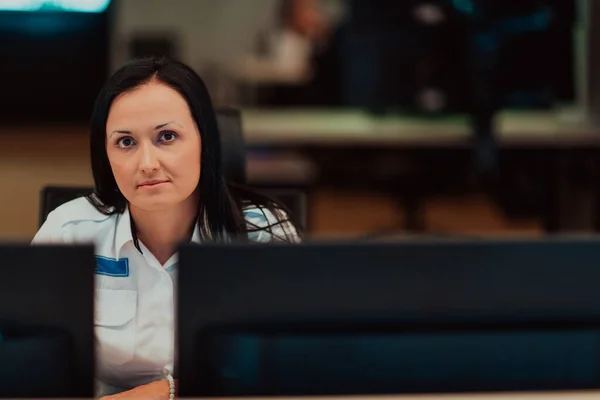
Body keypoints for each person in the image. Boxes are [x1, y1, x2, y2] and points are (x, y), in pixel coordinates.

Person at [31, 57, 300, 399]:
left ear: (205, 141)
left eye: (167, 136)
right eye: (125, 142)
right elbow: (30, 363)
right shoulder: (69, 231)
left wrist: (166, 392)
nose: (146, 164)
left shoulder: (263, 234)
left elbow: (287, 368)